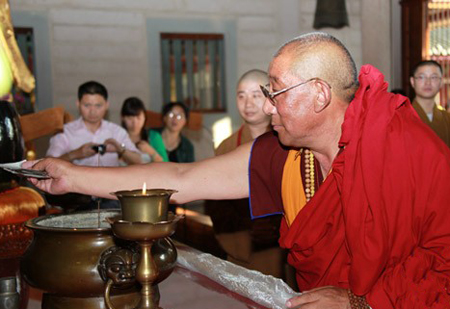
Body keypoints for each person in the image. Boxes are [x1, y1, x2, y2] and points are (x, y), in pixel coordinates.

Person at [26, 32, 450, 308]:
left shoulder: (408, 149)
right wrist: (71, 176)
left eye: (275, 91)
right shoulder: (284, 154)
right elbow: (181, 180)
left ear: (318, 94)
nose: (266, 106)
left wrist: (362, 303)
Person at [205, 69, 284, 279]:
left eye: (256, 96)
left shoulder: (289, 142)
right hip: (242, 246)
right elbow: (215, 204)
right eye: (241, 96)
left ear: (270, 97)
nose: (248, 104)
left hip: (285, 246)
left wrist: (277, 228)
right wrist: (247, 230)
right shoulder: (226, 147)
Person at [46, 81, 142, 166]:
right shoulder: (65, 132)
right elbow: (48, 163)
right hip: (76, 185)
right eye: (87, 105)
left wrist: (120, 149)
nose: (93, 111)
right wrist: (75, 154)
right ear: (78, 104)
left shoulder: (116, 131)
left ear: (106, 105)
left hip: (111, 184)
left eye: (98, 105)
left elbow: (141, 161)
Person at [410, 60, 450, 147]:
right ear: (412, 81)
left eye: (434, 77)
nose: (428, 83)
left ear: (441, 82)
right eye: (421, 77)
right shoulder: (401, 117)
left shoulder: (447, 119)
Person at [121, 97, 166, 163]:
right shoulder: (118, 136)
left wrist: (151, 152)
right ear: (122, 118)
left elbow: (166, 163)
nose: (135, 122)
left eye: (138, 118)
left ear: (144, 117)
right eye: (130, 118)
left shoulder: (153, 136)